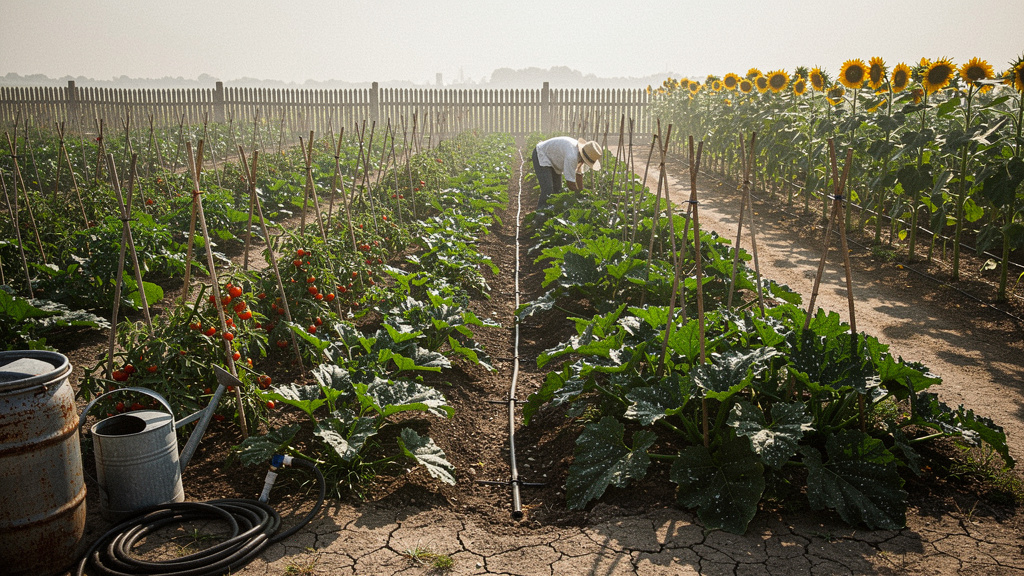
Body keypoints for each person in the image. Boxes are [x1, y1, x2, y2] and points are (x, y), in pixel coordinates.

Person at [532, 136, 602, 208]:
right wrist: (579, 198)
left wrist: (582, 192)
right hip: (542, 154)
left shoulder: (581, 153)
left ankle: (551, 213)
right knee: (548, 190)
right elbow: (570, 184)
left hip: (553, 158)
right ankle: (540, 215)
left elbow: (579, 175)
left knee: (558, 190)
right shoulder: (572, 156)